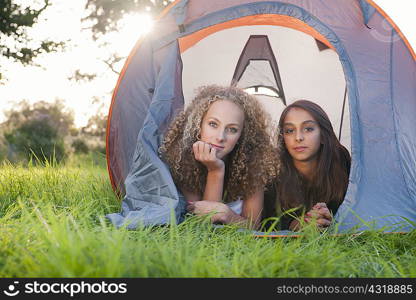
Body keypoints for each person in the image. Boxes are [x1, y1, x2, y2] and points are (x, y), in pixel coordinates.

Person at [159, 85, 278, 229]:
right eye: (213, 124)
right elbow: (202, 227)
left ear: (242, 136)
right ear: (198, 125)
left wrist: (227, 215)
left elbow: (254, 227)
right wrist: (215, 170)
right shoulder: (183, 163)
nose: (220, 137)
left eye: (232, 129)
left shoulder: (253, 166)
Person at [263, 100, 351, 231]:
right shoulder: (273, 173)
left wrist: (327, 218)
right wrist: (301, 224)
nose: (298, 137)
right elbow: (270, 224)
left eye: (308, 129)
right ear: (283, 138)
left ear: (322, 135)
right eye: (289, 130)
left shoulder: (342, 164)